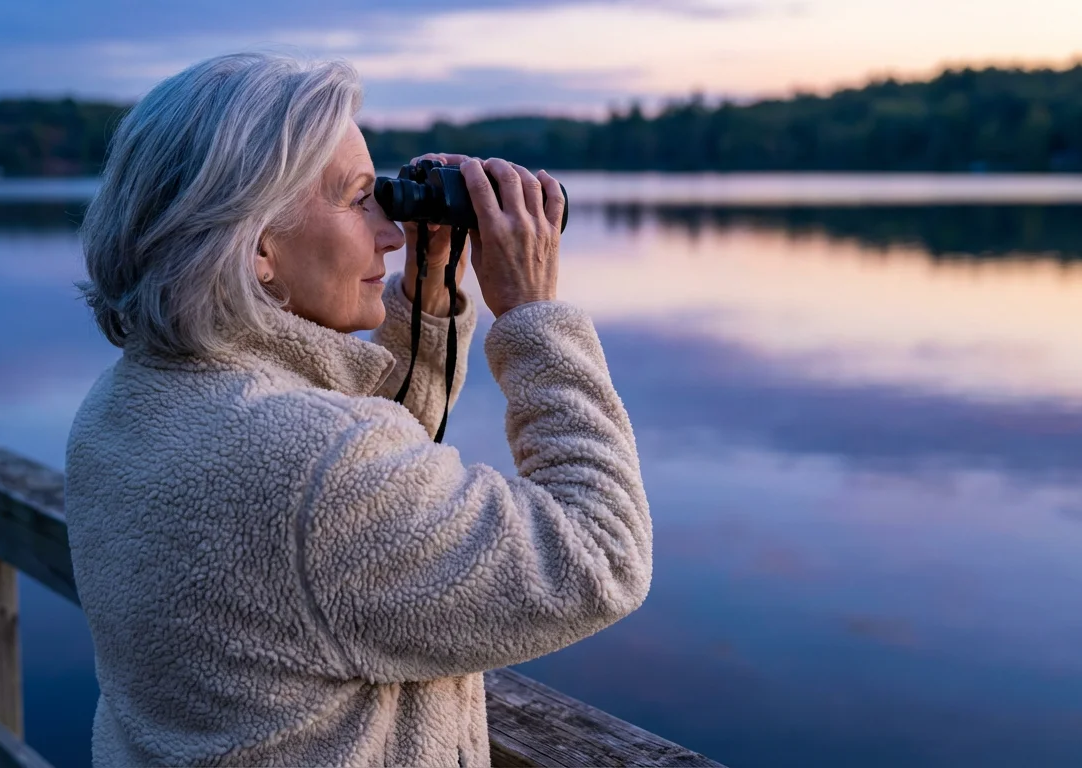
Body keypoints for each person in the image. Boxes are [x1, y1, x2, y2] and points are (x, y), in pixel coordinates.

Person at [65, 51, 652, 768]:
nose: (388, 231)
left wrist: (430, 295)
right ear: (255, 247)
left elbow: (356, 499)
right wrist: (532, 314)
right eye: (355, 198)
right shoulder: (310, 465)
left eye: (385, 196)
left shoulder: (132, 402)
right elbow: (599, 557)